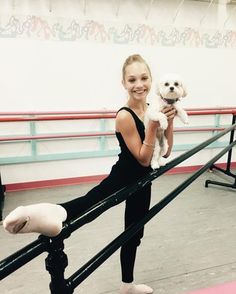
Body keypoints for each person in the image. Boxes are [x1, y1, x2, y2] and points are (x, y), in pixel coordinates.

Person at [3, 54, 176, 294]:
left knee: (134, 233)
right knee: (91, 205)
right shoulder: (124, 116)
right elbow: (143, 158)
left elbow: (165, 152)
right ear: (123, 83)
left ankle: (127, 286)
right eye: (132, 79)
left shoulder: (151, 109)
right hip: (124, 176)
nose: (139, 85)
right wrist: (153, 126)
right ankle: (40, 215)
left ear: (151, 79)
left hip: (142, 182)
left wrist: (170, 121)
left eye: (144, 78)